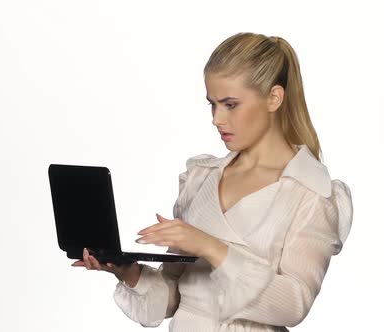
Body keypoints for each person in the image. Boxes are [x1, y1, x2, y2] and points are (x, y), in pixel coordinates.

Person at [71, 32, 353, 331]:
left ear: (274, 98)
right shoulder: (201, 178)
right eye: (212, 105)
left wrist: (209, 246)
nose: (217, 119)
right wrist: (128, 271)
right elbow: (176, 297)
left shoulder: (310, 193)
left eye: (230, 104)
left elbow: (294, 304)